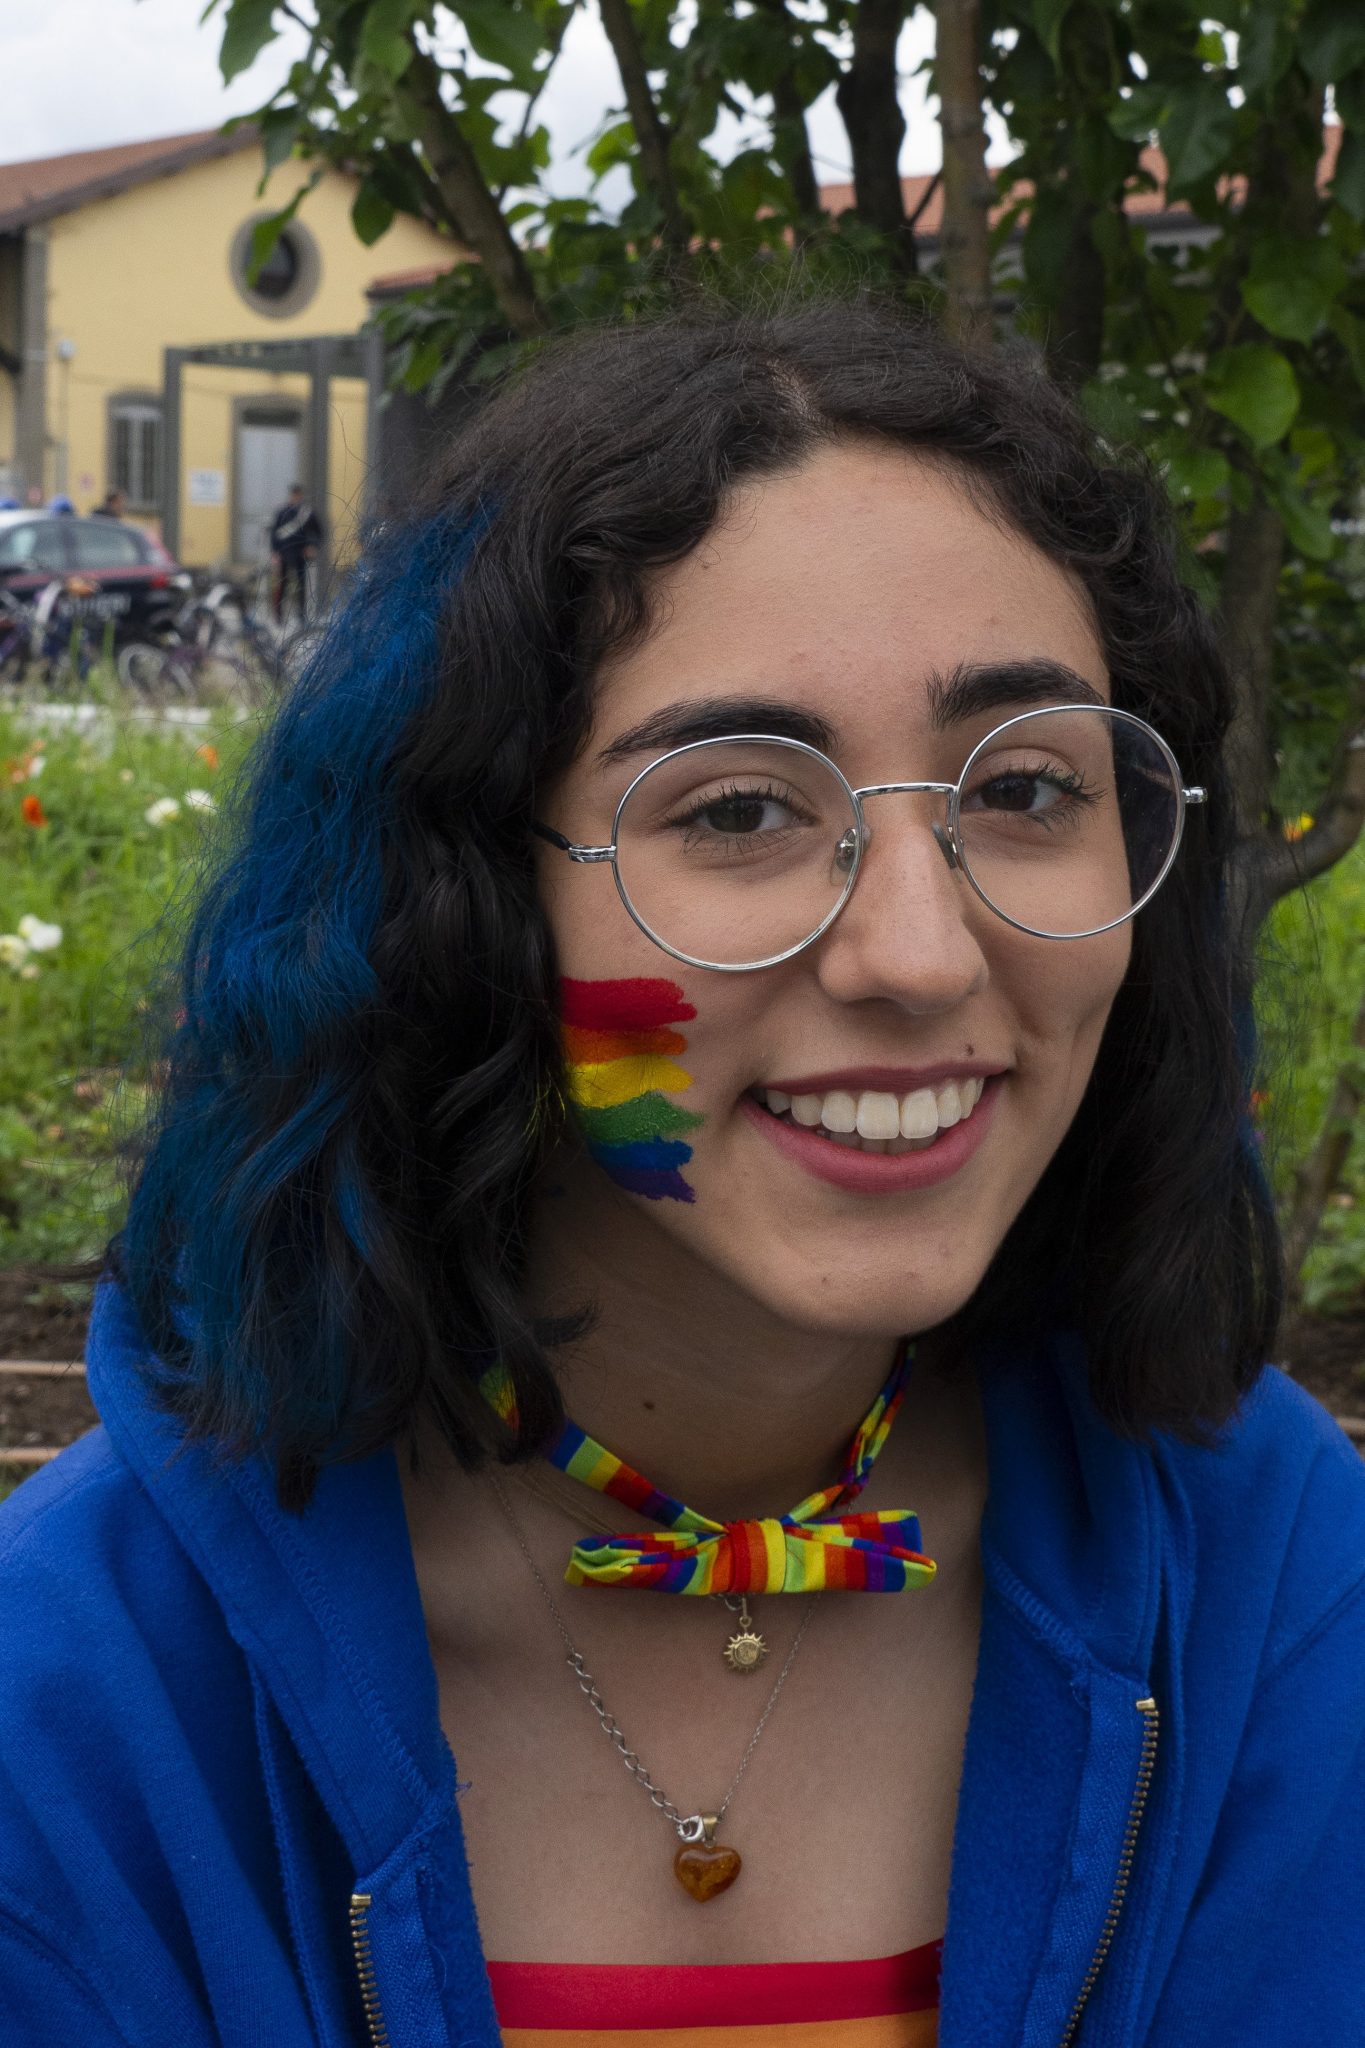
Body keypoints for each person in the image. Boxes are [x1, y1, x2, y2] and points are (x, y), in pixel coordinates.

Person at [1, 304, 1362, 2048]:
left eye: (1024, 783)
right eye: (735, 811)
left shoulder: (1265, 1586)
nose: (923, 952)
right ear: (470, 907)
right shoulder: (90, 1698)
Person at [269, 480, 323, 621]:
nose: (295, 497)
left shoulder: (308, 513)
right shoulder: (281, 513)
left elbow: (318, 532)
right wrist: (275, 552)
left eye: (298, 495)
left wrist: (312, 546)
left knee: (301, 586)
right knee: (283, 585)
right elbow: (275, 533)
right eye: (294, 494)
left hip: (300, 553)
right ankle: (278, 615)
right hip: (284, 553)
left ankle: (301, 614)